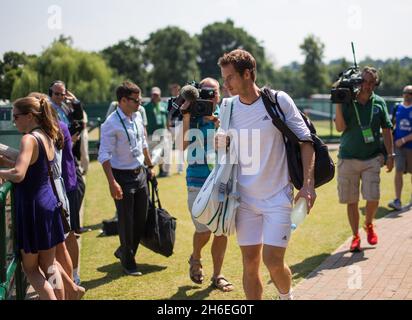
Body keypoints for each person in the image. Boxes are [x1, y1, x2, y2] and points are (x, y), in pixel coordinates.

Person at [217, 49, 316, 300]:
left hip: (277, 196)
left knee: (273, 261)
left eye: (230, 78)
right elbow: (223, 152)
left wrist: (307, 185)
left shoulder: (278, 101)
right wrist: (220, 142)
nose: (225, 84)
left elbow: (306, 141)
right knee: (250, 263)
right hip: (244, 200)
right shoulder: (227, 107)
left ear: (248, 74)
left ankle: (286, 296)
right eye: (224, 78)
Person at [0, 96, 66, 300]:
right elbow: (31, 165)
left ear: (29, 116)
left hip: (33, 208)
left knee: (31, 270)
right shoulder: (46, 135)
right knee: (50, 266)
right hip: (48, 204)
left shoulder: (28, 139)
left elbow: (19, 174)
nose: (14, 122)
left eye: (16, 117)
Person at [181, 77, 233, 292]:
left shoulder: (227, 113)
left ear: (219, 94)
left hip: (221, 178)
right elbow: (181, 145)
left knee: (221, 230)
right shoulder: (191, 113)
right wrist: (186, 115)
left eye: (213, 92)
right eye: (205, 92)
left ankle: (217, 275)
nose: (209, 96)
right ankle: (195, 257)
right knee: (203, 230)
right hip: (197, 178)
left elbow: (234, 142)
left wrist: (221, 127)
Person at [98, 81, 155, 276]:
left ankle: (124, 250)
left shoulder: (137, 116)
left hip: (139, 173)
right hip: (121, 176)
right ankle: (129, 262)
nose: (139, 103)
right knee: (126, 221)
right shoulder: (110, 123)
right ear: (123, 100)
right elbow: (103, 155)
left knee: (142, 217)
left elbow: (143, 142)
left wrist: (149, 165)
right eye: (136, 100)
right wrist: (112, 182)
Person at [335, 66, 394, 252]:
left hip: (371, 158)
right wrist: (338, 101)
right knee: (351, 201)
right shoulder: (347, 100)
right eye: (364, 81)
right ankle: (355, 236)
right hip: (348, 158)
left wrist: (390, 154)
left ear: (375, 84)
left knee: (373, 197)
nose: (367, 86)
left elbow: (386, 129)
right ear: (358, 81)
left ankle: (368, 223)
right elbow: (339, 128)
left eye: (371, 83)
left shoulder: (379, 103)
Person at [48, 80, 84, 284]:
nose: (61, 98)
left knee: (68, 235)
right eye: (57, 94)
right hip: (61, 183)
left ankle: (72, 278)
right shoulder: (53, 123)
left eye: (63, 94)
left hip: (64, 184)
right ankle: (68, 280)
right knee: (61, 238)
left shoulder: (59, 121)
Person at [388, 85, 412, 210]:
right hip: (398, 147)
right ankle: (397, 200)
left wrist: (404, 139)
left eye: (410, 93)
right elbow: (391, 125)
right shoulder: (397, 107)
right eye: (405, 92)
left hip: (410, 146)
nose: (407, 94)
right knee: (399, 171)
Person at [144, 87, 171, 177]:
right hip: (152, 133)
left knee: (163, 152)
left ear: (160, 95)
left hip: (163, 133)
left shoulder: (163, 105)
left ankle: (162, 170)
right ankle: (147, 170)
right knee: (151, 152)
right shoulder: (146, 107)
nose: (155, 96)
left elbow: (167, 118)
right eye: (153, 94)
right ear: (151, 95)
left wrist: (168, 129)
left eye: (157, 95)